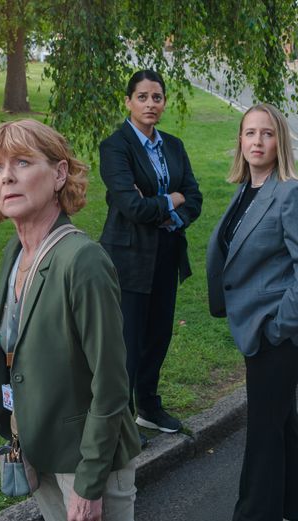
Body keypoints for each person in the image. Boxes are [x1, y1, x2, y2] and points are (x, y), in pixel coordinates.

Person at [0, 119, 142, 521]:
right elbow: (27, 347)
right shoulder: (16, 252)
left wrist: (89, 483)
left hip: (87, 461)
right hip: (41, 448)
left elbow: (111, 384)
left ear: (60, 174)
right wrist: (3, 397)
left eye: (23, 163)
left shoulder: (81, 260)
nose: (6, 177)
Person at [206, 104, 298, 521]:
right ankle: (295, 508)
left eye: (267, 134)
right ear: (240, 140)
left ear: (281, 142)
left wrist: (280, 325)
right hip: (261, 327)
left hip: (278, 332)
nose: (257, 142)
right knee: (281, 420)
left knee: (262, 429)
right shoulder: (248, 189)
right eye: (249, 133)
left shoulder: (289, 193)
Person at [98, 69, 203, 437]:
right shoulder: (115, 147)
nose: (150, 104)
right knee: (127, 341)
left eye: (156, 97)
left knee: (158, 334)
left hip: (166, 254)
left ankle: (148, 405)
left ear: (164, 102)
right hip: (127, 258)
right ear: (128, 101)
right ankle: (122, 418)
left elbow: (195, 198)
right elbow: (131, 207)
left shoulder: (173, 146)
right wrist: (170, 200)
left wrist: (167, 207)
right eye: (142, 97)